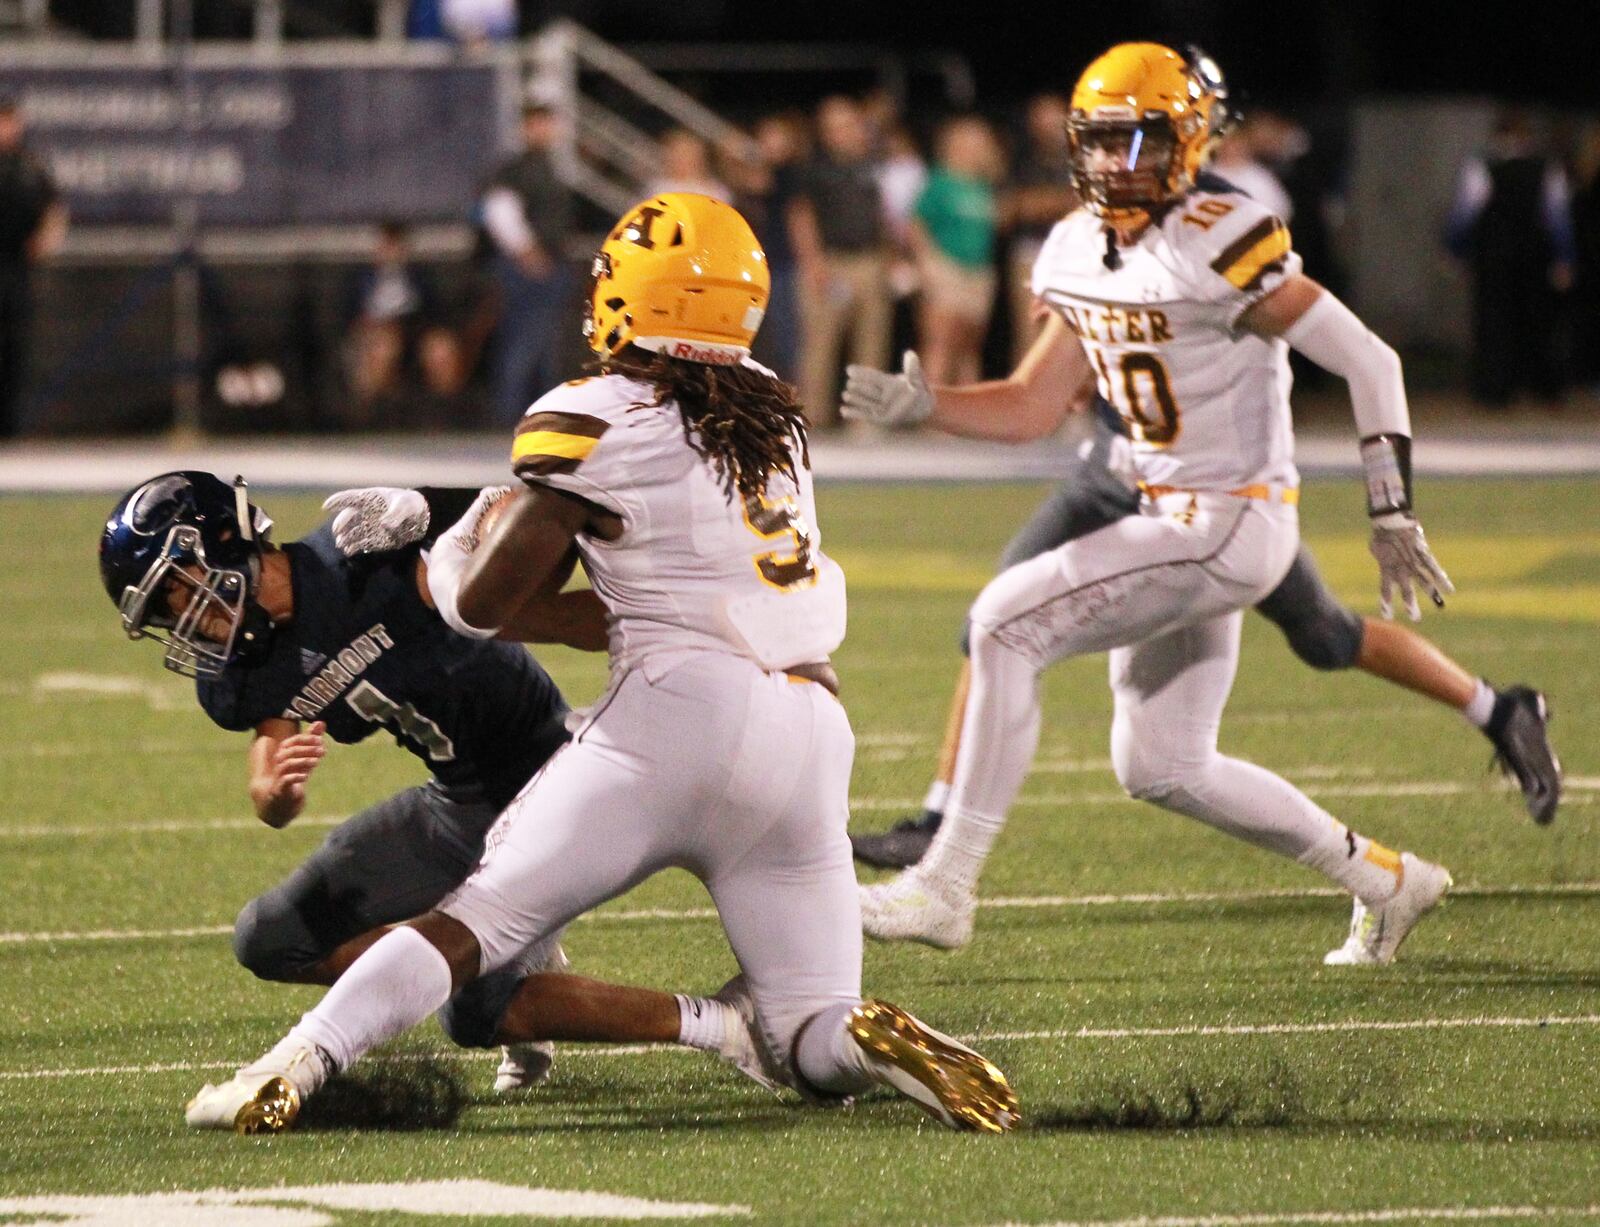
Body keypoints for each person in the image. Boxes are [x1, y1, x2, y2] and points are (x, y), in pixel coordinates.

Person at [183, 193, 1019, 1136]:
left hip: (673, 722)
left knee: (475, 921)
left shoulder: (593, 415)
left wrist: (453, 538)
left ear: (632, 295)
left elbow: (486, 604)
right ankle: (867, 1037)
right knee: (804, 1035)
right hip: (808, 730)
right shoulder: (772, 417)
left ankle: (292, 1064)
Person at [842, 43, 1465, 968]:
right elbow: (1031, 402)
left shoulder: (1220, 234)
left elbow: (1372, 361)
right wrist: (930, 404)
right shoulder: (1073, 242)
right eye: (1097, 143)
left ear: (1187, 142)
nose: (1111, 164)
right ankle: (1386, 878)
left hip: (1226, 517)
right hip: (1168, 517)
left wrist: (1391, 513)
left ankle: (944, 884)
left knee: (1004, 620)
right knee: (1165, 767)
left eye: (1136, 143)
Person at [100, 470, 779, 1110]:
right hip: (461, 799)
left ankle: (722, 1023)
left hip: (553, 776)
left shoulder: (355, 555)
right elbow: (269, 752)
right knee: (271, 937)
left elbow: (528, 511)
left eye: (180, 586)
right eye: (165, 607)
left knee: (477, 1014)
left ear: (224, 541)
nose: (185, 614)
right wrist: (275, 792)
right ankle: (483, 961)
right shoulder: (243, 670)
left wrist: (437, 505)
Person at [1446, 110, 1576, 409]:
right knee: (1536, 321)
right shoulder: (1545, 168)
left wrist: (1454, 250)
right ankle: (1541, 388)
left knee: (1494, 324)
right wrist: (1564, 258)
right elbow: (1557, 217)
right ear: (1527, 137)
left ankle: (1495, 390)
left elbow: (1465, 214)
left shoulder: (1482, 167)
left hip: (1495, 258)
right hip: (1534, 257)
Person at [790, 96, 893, 428]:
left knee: (871, 343)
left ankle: (865, 421)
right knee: (820, 344)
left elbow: (883, 215)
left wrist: (890, 257)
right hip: (831, 262)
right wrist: (813, 262)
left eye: (848, 125)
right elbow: (801, 216)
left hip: (869, 261)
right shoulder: (815, 167)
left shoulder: (873, 164)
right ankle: (811, 419)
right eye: (834, 127)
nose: (842, 133)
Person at [481, 102, 576, 426]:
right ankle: (509, 417)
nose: (544, 131)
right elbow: (499, 213)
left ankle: (542, 418)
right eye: (537, 124)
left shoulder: (550, 165)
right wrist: (527, 254)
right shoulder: (515, 168)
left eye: (548, 124)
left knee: (546, 346)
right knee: (522, 344)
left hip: (551, 265)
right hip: (527, 268)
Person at [911, 116, 1005, 386]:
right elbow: (916, 224)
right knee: (941, 340)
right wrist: (928, 262)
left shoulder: (982, 185)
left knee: (969, 345)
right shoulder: (940, 182)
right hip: (947, 268)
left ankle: (966, 411)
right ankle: (933, 409)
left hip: (978, 271)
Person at [343, 219, 461, 423]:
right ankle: (371, 413)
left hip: (413, 328)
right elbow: (349, 313)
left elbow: (435, 310)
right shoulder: (361, 277)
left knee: (440, 348)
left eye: (396, 245)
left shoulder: (419, 276)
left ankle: (446, 411)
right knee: (384, 346)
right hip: (376, 330)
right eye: (387, 245)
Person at [0, 96, 67, 439]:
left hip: (16, 268)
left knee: (15, 348)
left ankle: (9, 429)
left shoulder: (30, 166)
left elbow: (55, 208)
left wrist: (46, 239)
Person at [1003, 94, 1078, 367]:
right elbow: (1011, 208)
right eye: (1041, 116)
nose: (1048, 123)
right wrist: (1061, 201)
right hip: (1030, 255)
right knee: (1029, 335)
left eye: (1053, 115)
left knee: (1072, 335)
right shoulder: (1021, 159)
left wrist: (1045, 202)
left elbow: (1089, 204)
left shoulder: (1081, 159)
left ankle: (1071, 406)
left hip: (1074, 257)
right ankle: (1021, 403)